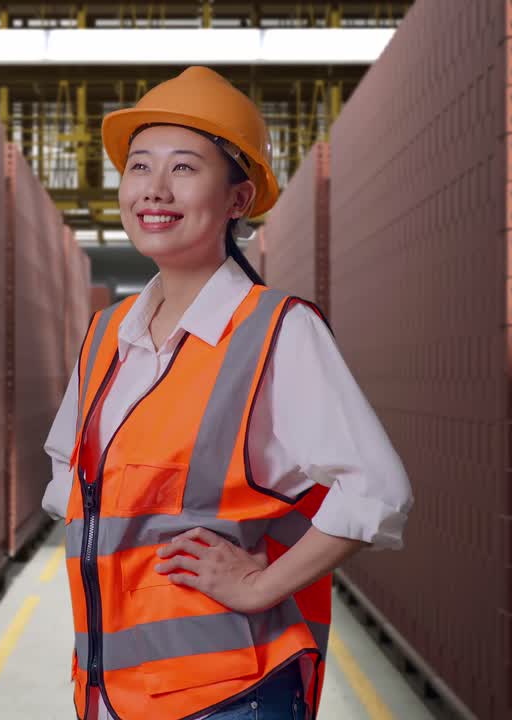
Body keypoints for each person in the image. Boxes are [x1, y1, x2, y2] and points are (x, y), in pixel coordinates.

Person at [41, 66, 413, 720]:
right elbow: (74, 493)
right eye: (139, 166)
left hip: (230, 697)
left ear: (238, 199)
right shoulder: (106, 337)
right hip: (111, 695)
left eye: (184, 168)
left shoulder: (276, 330)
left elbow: (377, 491)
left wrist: (260, 585)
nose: (155, 189)